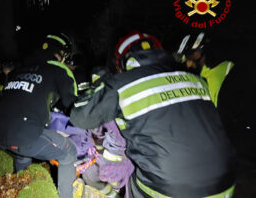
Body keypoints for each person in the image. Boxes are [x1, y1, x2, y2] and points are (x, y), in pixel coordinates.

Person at [70, 30, 236, 198]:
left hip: (169, 189)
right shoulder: (197, 80)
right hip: (225, 183)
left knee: (131, 181)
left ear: (123, 61)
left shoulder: (123, 84)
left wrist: (99, 86)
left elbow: (79, 117)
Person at [0, 32, 78, 198]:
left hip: (0, 132)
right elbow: (75, 107)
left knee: (23, 152)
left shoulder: (17, 70)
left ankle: (19, 188)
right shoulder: (58, 68)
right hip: (25, 134)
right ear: (61, 53)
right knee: (69, 153)